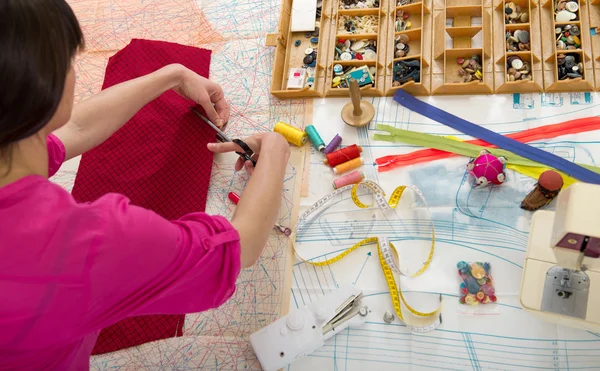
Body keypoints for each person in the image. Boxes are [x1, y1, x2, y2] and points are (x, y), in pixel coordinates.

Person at [0, 0, 290, 369]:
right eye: (70, 62)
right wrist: (276, 152)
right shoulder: (85, 244)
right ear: (45, 88)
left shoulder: (12, 149)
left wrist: (172, 75)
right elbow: (237, 249)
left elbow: (75, 130)